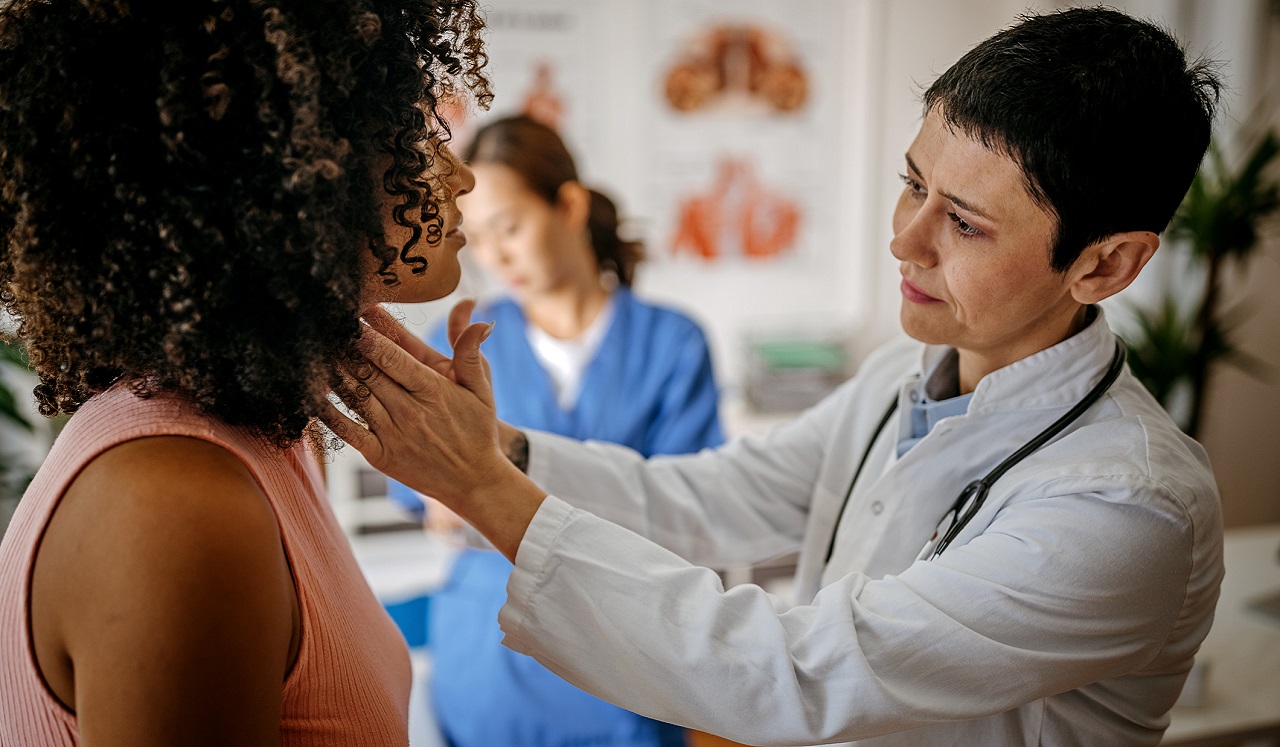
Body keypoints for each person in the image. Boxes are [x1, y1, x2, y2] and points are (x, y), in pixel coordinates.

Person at [325, 7, 1225, 746]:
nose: (903, 240)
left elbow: (799, 668)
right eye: (912, 185)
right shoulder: (898, 379)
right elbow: (707, 498)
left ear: (1104, 266)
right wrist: (504, 449)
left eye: (965, 223)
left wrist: (483, 485)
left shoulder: (1126, 505)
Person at [0, 0, 490, 744]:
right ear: (288, 176)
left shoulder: (261, 433)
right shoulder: (173, 501)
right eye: (414, 136)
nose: (460, 178)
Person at [392, 115, 723, 747]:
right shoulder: (460, 341)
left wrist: (496, 494)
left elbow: (690, 510)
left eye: (510, 227)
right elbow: (424, 496)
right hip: (489, 654)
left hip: (623, 650)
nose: (495, 258)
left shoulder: (671, 342)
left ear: (567, 205)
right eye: (477, 237)